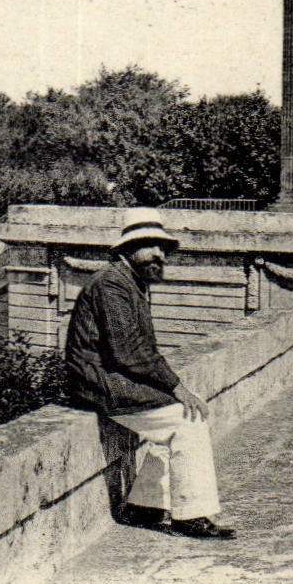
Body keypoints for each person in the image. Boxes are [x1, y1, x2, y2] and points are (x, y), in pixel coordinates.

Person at [63, 209, 235, 539]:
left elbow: (136, 351)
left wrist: (170, 388)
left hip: (111, 378)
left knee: (172, 421)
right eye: (149, 246)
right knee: (187, 421)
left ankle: (144, 506)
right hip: (99, 383)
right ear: (127, 249)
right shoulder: (113, 285)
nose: (159, 254)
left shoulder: (132, 282)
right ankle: (191, 515)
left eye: (162, 247)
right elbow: (129, 351)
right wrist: (176, 386)